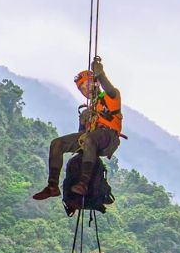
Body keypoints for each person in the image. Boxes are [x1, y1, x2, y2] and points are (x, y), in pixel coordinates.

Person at [33, 56, 123, 200]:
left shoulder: (109, 97)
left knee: (89, 139)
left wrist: (100, 74)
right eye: (81, 89)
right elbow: (82, 137)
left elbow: (109, 88)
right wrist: (83, 120)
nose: (84, 90)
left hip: (108, 138)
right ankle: (52, 186)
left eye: (86, 85)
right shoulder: (89, 109)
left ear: (95, 83)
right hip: (91, 140)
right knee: (57, 144)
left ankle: (83, 183)